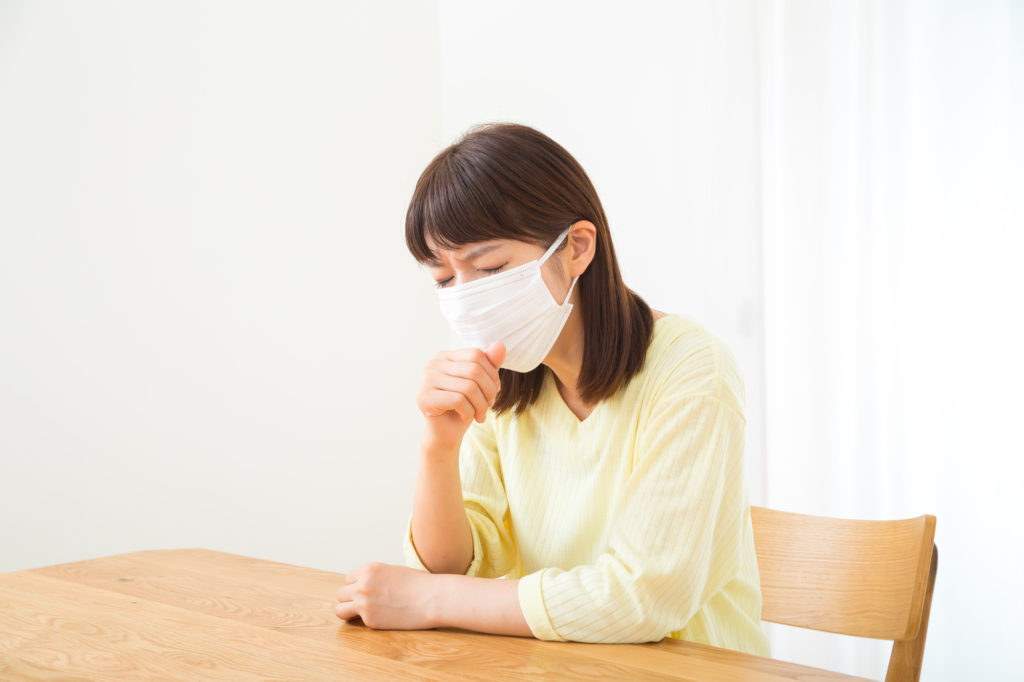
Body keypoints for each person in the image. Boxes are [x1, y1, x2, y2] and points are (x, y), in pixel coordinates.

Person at [334, 122, 769, 654]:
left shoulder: (693, 370)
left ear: (577, 249)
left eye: (490, 267)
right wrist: (438, 447)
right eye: (444, 280)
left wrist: (431, 601)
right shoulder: (508, 384)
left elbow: (642, 598)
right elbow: (454, 562)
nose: (468, 299)